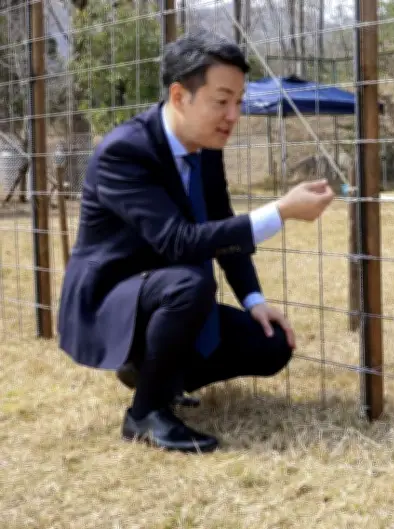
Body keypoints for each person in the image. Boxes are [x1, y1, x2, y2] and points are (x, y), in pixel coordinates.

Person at [57, 30, 336, 454]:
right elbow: (179, 241)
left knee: (272, 346)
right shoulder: (124, 152)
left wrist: (254, 299)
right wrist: (279, 211)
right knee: (190, 282)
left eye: (239, 102)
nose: (233, 115)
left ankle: (154, 372)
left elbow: (220, 222)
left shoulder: (206, 147)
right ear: (180, 95)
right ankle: (145, 413)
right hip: (112, 302)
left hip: (169, 294)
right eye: (221, 101)